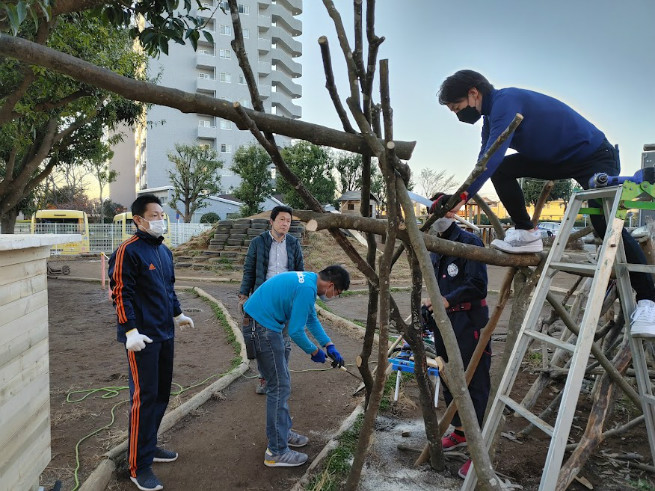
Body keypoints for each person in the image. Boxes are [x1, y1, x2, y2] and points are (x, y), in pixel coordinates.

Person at [435, 69, 655, 337]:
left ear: (473, 93)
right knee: (503, 170)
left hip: (594, 155)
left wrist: (461, 198)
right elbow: (485, 161)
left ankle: (648, 300)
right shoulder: (491, 119)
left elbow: (490, 159)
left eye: (457, 108)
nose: (459, 115)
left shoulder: (506, 102)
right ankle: (526, 231)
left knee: (604, 224)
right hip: (560, 161)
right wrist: (456, 195)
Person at [109, 194, 194, 491]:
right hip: (141, 339)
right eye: (154, 215)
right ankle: (138, 465)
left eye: (162, 214)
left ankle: (149, 445)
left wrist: (178, 313)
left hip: (165, 333)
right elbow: (121, 293)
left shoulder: (164, 252)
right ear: (139, 220)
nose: (160, 219)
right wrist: (130, 330)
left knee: (160, 396)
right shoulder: (128, 251)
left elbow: (168, 289)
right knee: (143, 400)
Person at [243, 265, 349, 467]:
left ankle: (281, 433)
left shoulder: (309, 281)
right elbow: (296, 332)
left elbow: (310, 318)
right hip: (263, 329)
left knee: (281, 384)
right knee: (279, 387)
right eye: (337, 292)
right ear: (331, 285)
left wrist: (329, 345)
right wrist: (314, 352)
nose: (334, 296)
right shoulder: (307, 288)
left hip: (266, 325)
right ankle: (276, 452)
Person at [422, 209, 491, 479]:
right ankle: (461, 432)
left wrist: (448, 300)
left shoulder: (469, 243)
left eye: (442, 210)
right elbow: (438, 286)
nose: (437, 215)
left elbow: (478, 284)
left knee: (474, 380)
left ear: (453, 213)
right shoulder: (435, 247)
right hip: (444, 320)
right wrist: (432, 305)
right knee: (449, 375)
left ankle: (479, 448)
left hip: (467, 320)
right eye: (432, 211)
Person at [238, 205, 304, 394]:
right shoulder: (258, 243)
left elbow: (301, 271)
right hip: (263, 299)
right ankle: (264, 377)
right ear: (272, 221)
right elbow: (249, 270)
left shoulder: (293, 243)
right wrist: (243, 295)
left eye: (288, 221)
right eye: (282, 219)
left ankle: (281, 376)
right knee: (263, 340)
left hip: (287, 300)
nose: (285, 223)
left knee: (284, 340)